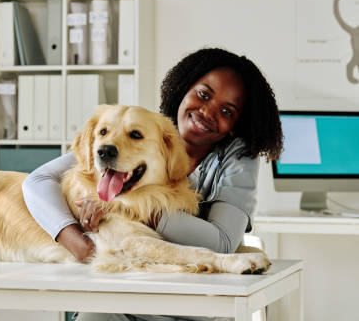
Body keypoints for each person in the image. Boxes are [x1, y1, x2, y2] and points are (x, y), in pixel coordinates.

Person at [22, 48, 283, 321]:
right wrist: (76, 242)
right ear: (184, 88)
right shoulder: (144, 129)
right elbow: (37, 181)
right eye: (203, 94)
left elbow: (224, 242)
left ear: (235, 124)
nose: (206, 111)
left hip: (194, 304)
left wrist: (120, 206)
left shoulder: (238, 158)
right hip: (126, 292)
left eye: (227, 111)